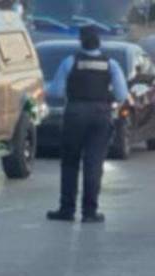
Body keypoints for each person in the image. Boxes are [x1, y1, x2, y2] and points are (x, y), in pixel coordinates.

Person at [46, 25, 130, 224]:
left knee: (70, 163)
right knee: (94, 164)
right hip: (101, 115)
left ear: (81, 41)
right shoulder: (111, 64)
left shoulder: (70, 62)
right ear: (99, 42)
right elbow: (122, 95)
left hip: (74, 114)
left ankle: (67, 209)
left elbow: (56, 91)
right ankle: (90, 212)